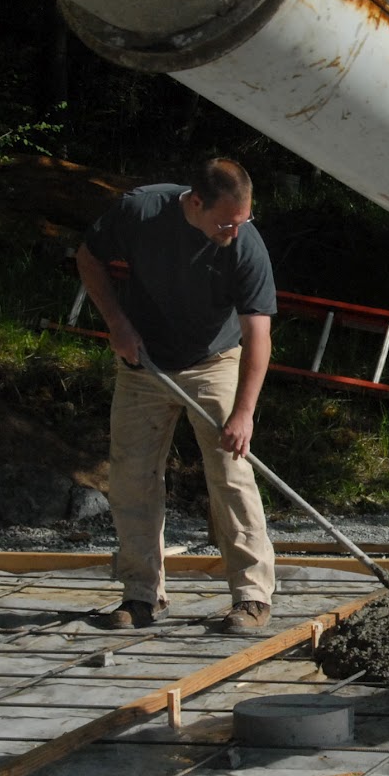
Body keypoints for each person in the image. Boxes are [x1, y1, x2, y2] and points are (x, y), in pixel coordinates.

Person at [77, 157, 279, 631]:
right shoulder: (139, 211)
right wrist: (117, 323)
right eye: (226, 222)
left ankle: (252, 596)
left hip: (214, 361)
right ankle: (142, 595)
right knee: (132, 476)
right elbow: (89, 257)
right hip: (143, 361)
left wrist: (244, 414)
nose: (234, 231)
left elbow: (259, 335)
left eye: (243, 220)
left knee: (230, 472)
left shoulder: (245, 244)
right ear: (194, 203)